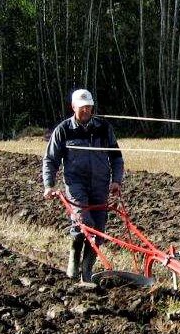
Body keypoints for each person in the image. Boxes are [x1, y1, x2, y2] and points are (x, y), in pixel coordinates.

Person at [42, 88, 124, 282]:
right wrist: (49, 185)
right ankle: (74, 259)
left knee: (99, 229)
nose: (86, 110)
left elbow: (116, 157)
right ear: (73, 107)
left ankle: (86, 269)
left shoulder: (104, 128)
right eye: (82, 107)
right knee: (84, 224)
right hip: (76, 184)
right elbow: (51, 159)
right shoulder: (63, 130)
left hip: (100, 185)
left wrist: (116, 180)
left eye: (89, 106)